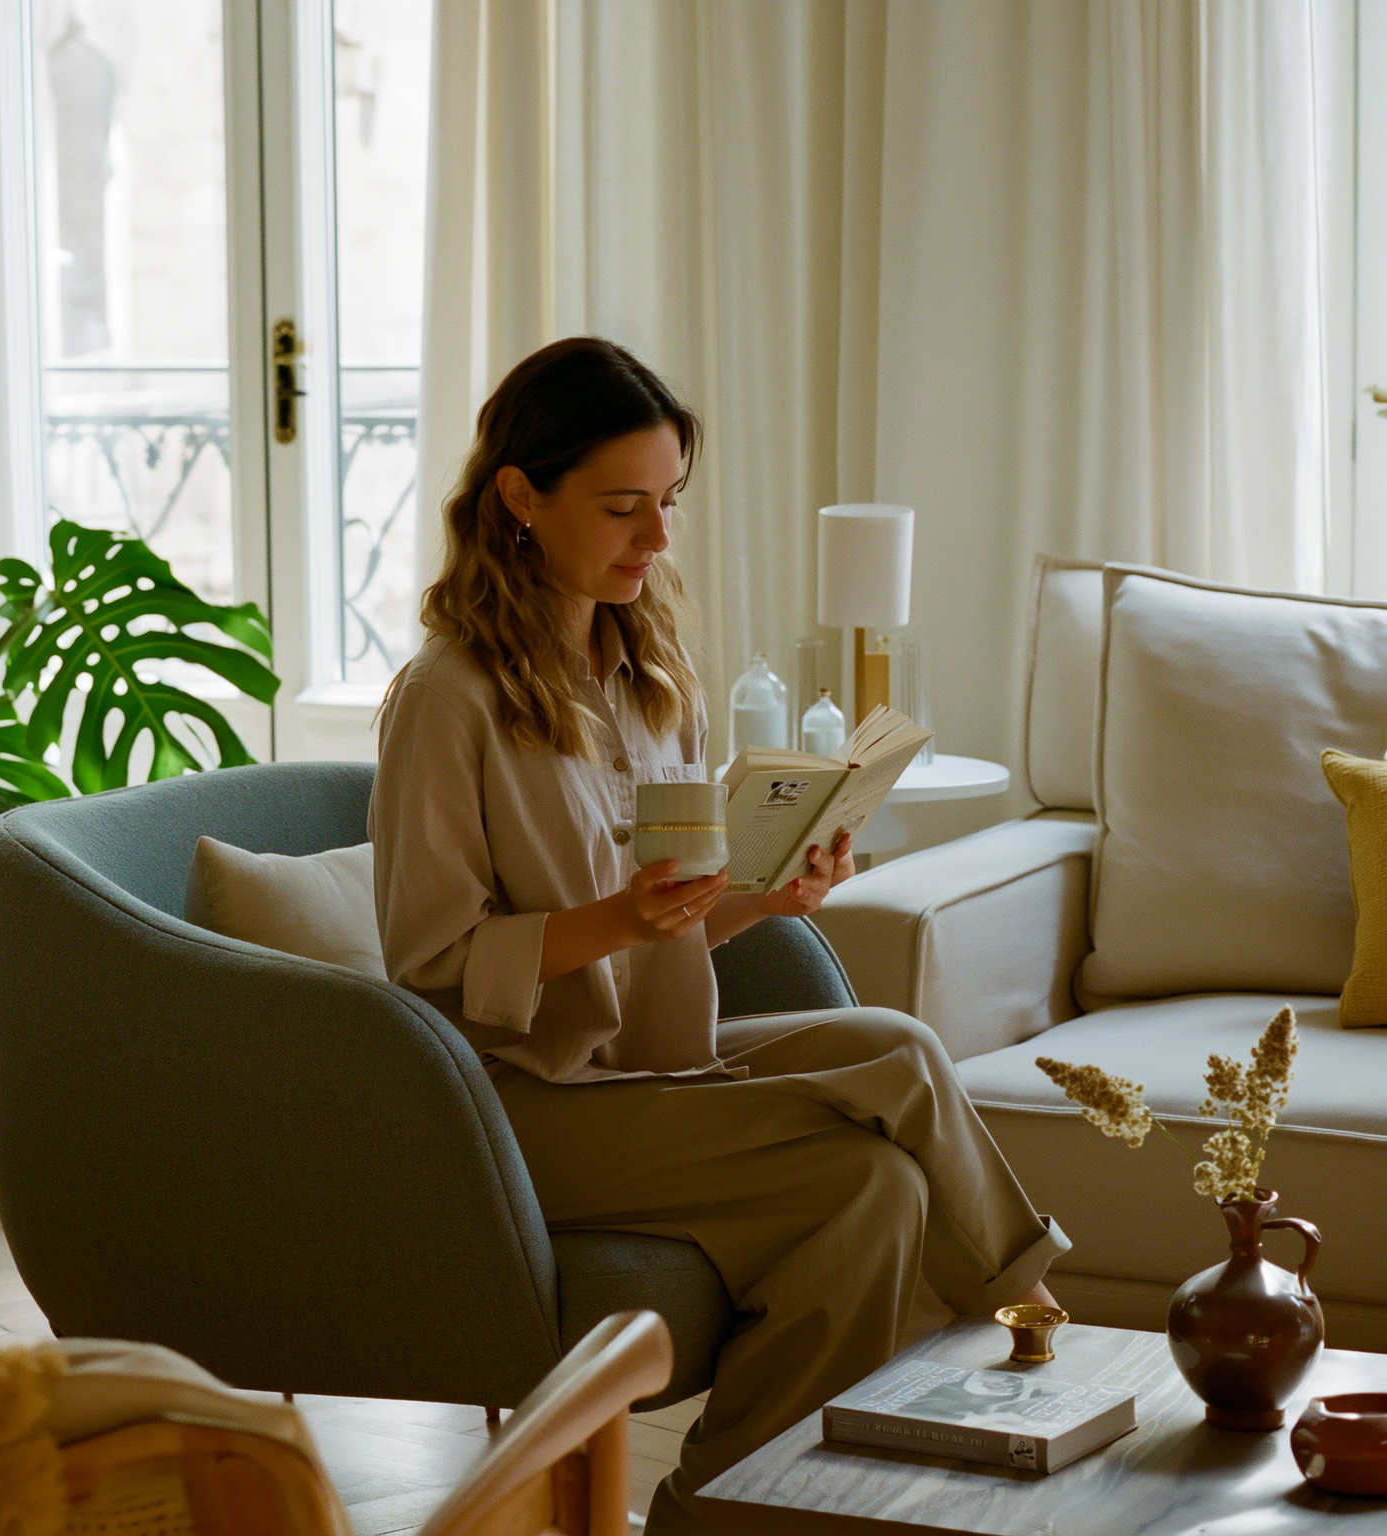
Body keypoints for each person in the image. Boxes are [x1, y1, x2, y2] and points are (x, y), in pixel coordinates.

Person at [369, 337, 1067, 1532]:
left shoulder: (649, 674)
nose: (656, 536)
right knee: (879, 1119)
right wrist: (618, 917)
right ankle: (1030, 1324)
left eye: (669, 501)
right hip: (514, 1105)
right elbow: (430, 965)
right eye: (622, 506)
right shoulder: (446, 698)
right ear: (520, 496)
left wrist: (765, 895)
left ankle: (727, 1511)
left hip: (651, 1067)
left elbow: (672, 916)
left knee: (885, 1116)